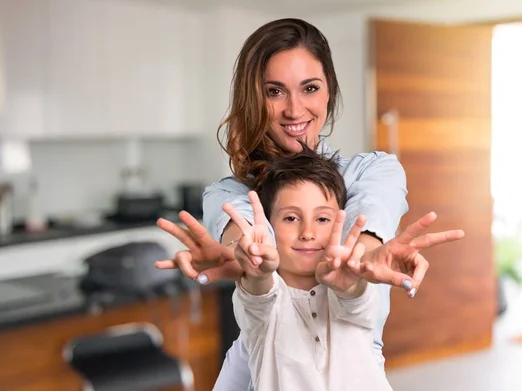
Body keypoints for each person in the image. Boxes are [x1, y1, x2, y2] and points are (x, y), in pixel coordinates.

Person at [154, 18, 465, 391]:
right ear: (253, 98)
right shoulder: (227, 193)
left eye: (310, 88)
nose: (294, 109)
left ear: (329, 91)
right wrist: (246, 255)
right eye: (274, 91)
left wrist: (360, 258)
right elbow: (249, 243)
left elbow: (361, 251)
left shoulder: (373, 171)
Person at [228, 146, 392, 390]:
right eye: (291, 218)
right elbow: (257, 297)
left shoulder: (349, 290)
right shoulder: (263, 310)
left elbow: (355, 300)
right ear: (270, 226)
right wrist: (259, 272)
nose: (307, 233)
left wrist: (349, 285)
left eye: (322, 219)